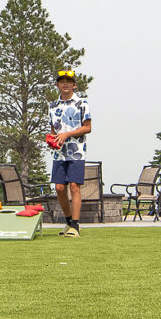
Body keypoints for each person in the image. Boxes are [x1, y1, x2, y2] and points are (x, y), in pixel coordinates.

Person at [44, 69, 93, 236]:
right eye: (62, 81)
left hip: (77, 152)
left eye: (68, 81)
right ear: (57, 85)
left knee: (74, 187)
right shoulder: (52, 106)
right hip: (59, 153)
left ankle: (76, 226)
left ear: (74, 85)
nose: (65, 84)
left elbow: (88, 127)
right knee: (59, 188)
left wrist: (67, 134)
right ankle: (69, 222)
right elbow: (53, 130)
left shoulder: (82, 103)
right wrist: (51, 140)